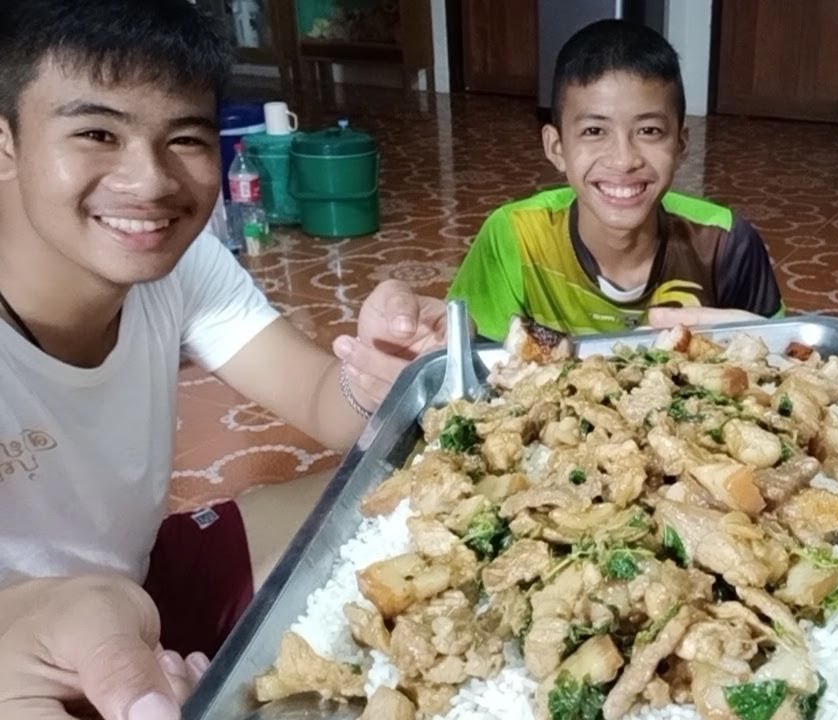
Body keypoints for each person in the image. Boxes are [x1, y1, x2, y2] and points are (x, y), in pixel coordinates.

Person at [0, 0, 445, 716]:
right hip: (25, 655)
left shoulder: (182, 263)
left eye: (184, 138)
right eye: (96, 133)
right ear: (6, 141)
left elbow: (321, 400)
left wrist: (376, 369)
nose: (149, 181)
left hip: (145, 581)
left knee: (402, 505)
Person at [447, 20, 784, 342]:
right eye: (594, 131)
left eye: (649, 130)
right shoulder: (515, 236)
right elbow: (470, 360)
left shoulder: (725, 244)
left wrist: (767, 341)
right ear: (556, 147)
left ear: (680, 145)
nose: (624, 160)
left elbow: (786, 358)